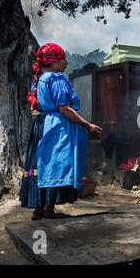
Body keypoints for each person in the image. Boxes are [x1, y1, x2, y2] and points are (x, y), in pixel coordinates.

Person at [19, 43, 102, 220]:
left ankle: (38, 210)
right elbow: (64, 108)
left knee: (40, 165)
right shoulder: (56, 79)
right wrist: (88, 125)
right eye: (63, 60)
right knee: (55, 166)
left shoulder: (39, 79)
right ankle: (49, 211)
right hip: (56, 128)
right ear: (54, 61)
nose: (66, 63)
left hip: (42, 126)